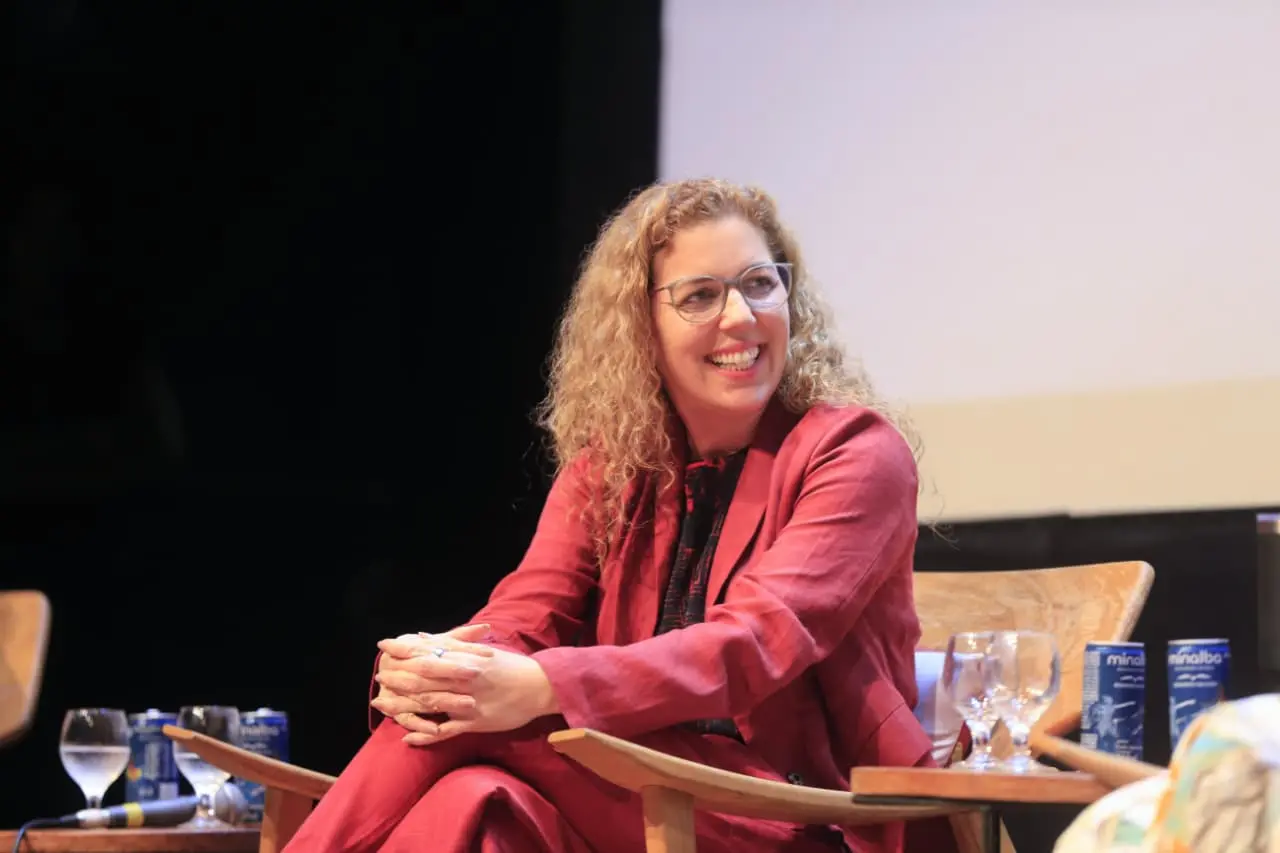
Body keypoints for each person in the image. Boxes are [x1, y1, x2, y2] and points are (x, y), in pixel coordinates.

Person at [282, 178, 957, 853]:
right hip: (641, 784)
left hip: (800, 806)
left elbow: (754, 643)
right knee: (473, 802)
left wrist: (536, 682)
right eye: (700, 295)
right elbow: (525, 613)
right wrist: (436, 665)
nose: (742, 317)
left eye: (759, 284)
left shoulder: (856, 452)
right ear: (642, 327)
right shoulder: (613, 468)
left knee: (471, 720)